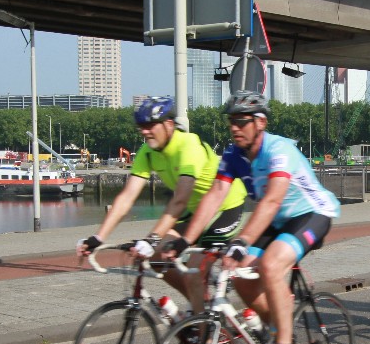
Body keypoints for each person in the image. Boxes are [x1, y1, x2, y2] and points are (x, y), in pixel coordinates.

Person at [170, 90, 340, 344]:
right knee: (240, 274)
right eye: (231, 122)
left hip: (311, 213)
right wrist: (187, 240)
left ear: (260, 122)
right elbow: (216, 194)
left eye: (242, 121)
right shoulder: (233, 155)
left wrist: (242, 240)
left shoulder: (279, 150)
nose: (235, 128)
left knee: (270, 266)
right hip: (277, 220)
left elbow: (272, 200)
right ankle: (278, 326)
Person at [77, 96, 247, 313]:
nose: (144, 131)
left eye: (150, 126)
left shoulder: (188, 145)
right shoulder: (147, 152)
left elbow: (180, 199)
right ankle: (200, 310)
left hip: (225, 206)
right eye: (141, 126)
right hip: (196, 211)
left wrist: (152, 238)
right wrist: (98, 237)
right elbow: (127, 197)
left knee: (194, 270)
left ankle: (202, 329)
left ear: (168, 124)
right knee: (157, 258)